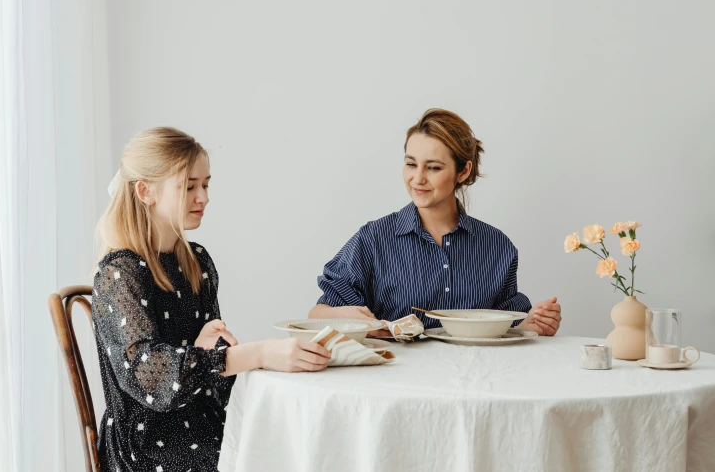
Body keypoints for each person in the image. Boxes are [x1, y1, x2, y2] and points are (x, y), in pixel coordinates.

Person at [93, 127, 330, 472]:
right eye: (189, 186)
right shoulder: (118, 275)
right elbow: (150, 377)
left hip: (202, 421)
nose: (202, 197)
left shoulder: (196, 261)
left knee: (293, 445)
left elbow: (211, 369)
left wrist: (212, 354)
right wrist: (257, 353)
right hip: (147, 446)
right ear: (146, 192)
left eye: (205, 185)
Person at [309, 109, 561, 336]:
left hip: (477, 381)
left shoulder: (496, 246)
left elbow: (510, 324)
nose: (417, 178)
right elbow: (318, 313)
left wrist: (534, 323)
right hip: (395, 380)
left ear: (462, 171)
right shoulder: (373, 238)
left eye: (433, 168)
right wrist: (349, 317)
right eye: (410, 164)